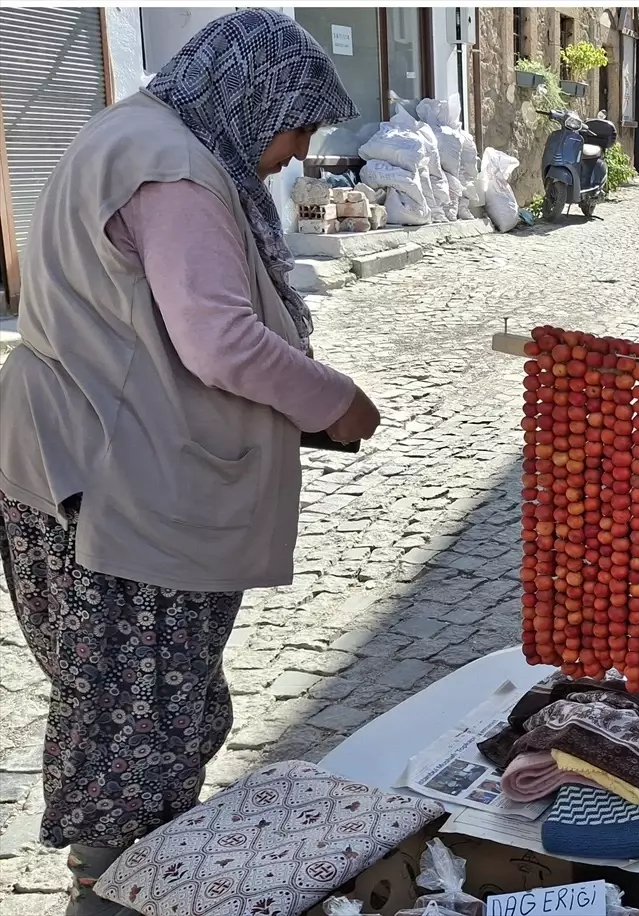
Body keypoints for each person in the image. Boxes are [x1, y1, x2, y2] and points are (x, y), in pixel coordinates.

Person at [0, 11, 380, 914]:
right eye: (299, 127)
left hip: (72, 459)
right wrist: (335, 400)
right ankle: (117, 891)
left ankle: (127, 874)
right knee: (140, 715)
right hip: (125, 483)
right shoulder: (172, 168)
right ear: (259, 99)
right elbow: (220, 341)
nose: (294, 154)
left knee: (120, 696)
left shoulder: (131, 130)